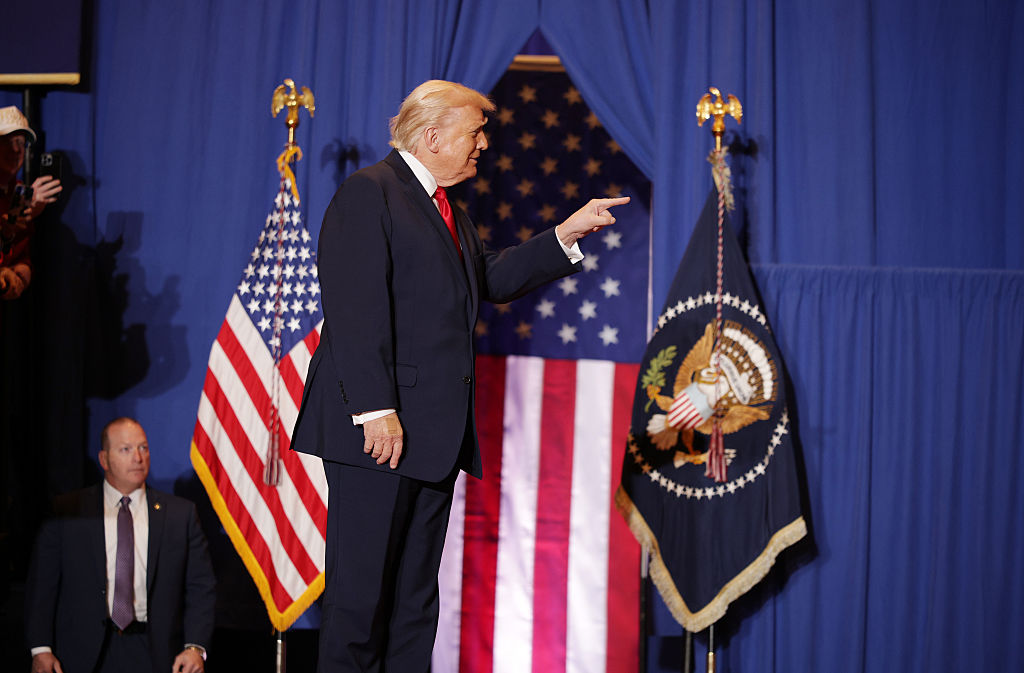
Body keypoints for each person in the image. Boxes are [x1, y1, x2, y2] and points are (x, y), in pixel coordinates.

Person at [291, 79, 629, 672]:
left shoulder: (445, 209)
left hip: (431, 438)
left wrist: (566, 235)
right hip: (378, 434)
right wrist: (376, 410)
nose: (483, 145)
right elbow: (354, 308)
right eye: (475, 132)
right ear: (432, 136)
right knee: (361, 604)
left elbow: (488, 278)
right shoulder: (369, 193)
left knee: (414, 607)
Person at [25, 417, 216, 673]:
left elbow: (201, 586)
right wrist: (40, 648)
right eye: (126, 449)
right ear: (104, 459)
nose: (138, 458)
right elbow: (42, 585)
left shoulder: (181, 515)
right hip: (83, 654)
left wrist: (195, 647)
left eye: (143, 448)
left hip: (156, 653)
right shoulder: (69, 511)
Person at [0, 105, 61, 301]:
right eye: (7, 142)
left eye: (21, 142)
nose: (16, 150)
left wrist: (20, 277)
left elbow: (21, 257)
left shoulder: (19, 192)